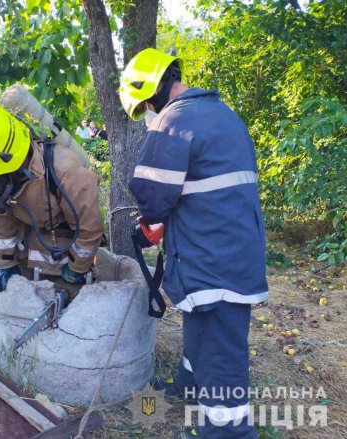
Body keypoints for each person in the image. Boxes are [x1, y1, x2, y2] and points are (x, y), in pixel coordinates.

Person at [119, 48, 268, 439]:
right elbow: (202, 188)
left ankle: (226, 431)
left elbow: (152, 195)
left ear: (151, 93)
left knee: (220, 350)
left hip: (213, 257)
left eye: (145, 107)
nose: (148, 114)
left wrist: (151, 223)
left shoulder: (175, 120)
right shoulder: (221, 114)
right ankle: (188, 387)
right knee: (203, 325)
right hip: (229, 246)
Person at [0, 106, 104, 293]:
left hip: (62, 234)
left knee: (64, 284)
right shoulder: (4, 179)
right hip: (27, 227)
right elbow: (2, 220)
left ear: (11, 166)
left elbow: (89, 230)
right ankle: (24, 261)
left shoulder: (66, 173)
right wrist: (6, 263)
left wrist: (76, 269)